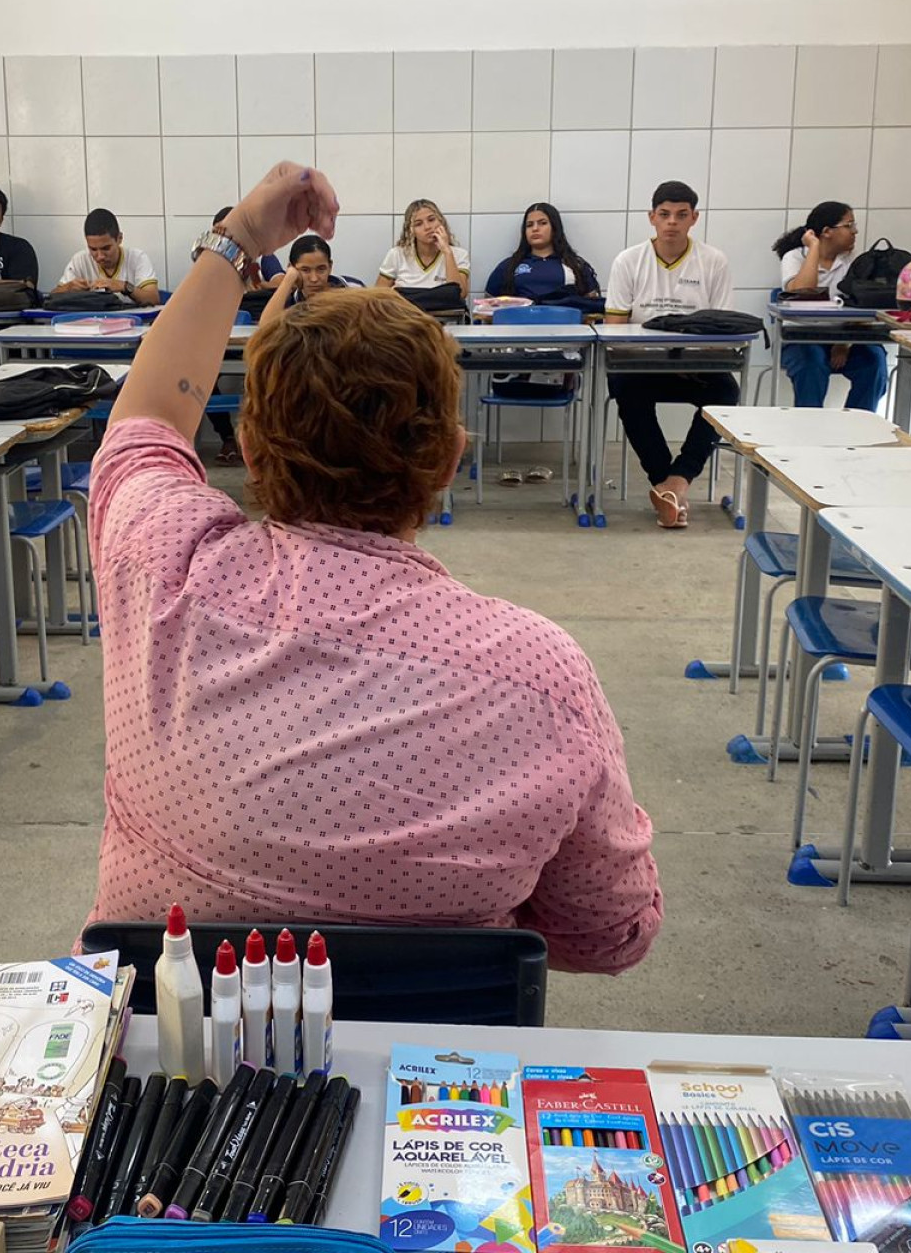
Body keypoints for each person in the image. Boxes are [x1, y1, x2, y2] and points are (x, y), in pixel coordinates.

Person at [86, 162, 662, 974]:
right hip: (432, 1056)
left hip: (164, 1044)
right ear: (450, 461)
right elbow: (609, 936)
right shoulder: (543, 677)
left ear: (247, 447)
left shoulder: (162, 566)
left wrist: (239, 239)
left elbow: (147, 418)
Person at [603, 181, 737, 530]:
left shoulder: (714, 261)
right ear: (652, 217)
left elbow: (722, 332)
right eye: (664, 214)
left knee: (726, 392)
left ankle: (676, 482)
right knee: (625, 390)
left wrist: (688, 356)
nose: (672, 222)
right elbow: (615, 330)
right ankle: (667, 483)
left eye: (681, 215)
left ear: (694, 218)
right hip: (641, 364)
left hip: (695, 366)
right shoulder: (628, 261)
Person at [773, 202, 886, 411]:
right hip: (800, 337)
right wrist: (814, 248)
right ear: (826, 232)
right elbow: (802, 295)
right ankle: (811, 426)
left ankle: (857, 424)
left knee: (874, 361)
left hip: (846, 337)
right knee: (812, 364)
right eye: (849, 225)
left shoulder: (854, 260)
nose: (855, 231)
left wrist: (843, 344)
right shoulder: (795, 257)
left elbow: (861, 305)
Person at [484, 202, 601, 310]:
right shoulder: (508, 267)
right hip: (519, 325)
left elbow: (593, 309)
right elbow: (486, 309)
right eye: (529, 225)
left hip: (564, 325)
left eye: (542, 223)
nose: (535, 229)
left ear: (555, 228)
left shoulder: (576, 266)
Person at [54, 208, 161, 307]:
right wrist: (68, 288)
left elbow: (153, 299)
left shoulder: (137, 258)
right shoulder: (79, 260)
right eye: (93, 249)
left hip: (132, 320)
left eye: (106, 248)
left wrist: (124, 286)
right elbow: (51, 298)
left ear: (119, 238)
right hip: (90, 320)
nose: (100, 256)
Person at [376, 200, 471, 306]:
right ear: (410, 231)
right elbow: (377, 297)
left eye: (431, 219)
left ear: (441, 222)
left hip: (445, 316)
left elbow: (460, 294)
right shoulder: (397, 254)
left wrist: (447, 252)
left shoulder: (459, 255)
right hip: (405, 315)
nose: (427, 227)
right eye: (418, 224)